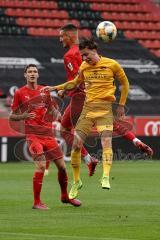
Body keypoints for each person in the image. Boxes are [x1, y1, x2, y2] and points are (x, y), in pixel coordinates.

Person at [43, 37, 130, 200]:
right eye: (82, 56)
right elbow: (75, 83)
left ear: (94, 50)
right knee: (76, 145)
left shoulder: (112, 64)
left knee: (106, 142)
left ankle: (105, 176)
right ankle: (76, 182)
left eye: (86, 55)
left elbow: (125, 84)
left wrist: (121, 106)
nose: (84, 58)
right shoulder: (84, 66)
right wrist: (56, 87)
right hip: (88, 109)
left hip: (104, 109)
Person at [9, 64, 81, 209]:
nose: (32, 74)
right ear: (25, 75)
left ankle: (65, 196)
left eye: (35, 71)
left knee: (62, 167)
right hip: (33, 136)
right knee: (41, 166)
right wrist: (24, 115)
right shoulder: (20, 93)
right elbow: (12, 116)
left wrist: (59, 116)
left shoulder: (44, 91)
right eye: (29, 72)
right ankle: (37, 202)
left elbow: (52, 110)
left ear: (38, 75)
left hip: (48, 135)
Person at [45, 23, 98, 177]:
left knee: (65, 130)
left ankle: (88, 160)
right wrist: (64, 89)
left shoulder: (70, 55)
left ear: (70, 36)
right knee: (67, 128)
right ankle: (89, 159)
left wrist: (61, 89)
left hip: (80, 96)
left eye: (62, 36)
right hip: (93, 94)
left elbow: (78, 79)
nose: (60, 39)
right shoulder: (87, 52)